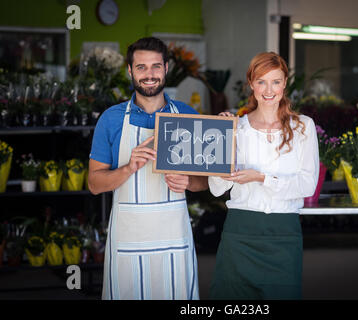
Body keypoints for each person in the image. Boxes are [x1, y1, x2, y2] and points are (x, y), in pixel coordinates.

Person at [88, 37, 208, 300]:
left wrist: (188, 181)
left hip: (174, 239)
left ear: (166, 68)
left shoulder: (187, 115)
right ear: (130, 71)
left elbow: (205, 181)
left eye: (156, 66)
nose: (149, 74)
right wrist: (128, 168)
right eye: (141, 67)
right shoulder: (111, 119)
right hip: (128, 241)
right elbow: (94, 185)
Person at [208, 52, 319, 299]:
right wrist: (225, 139)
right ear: (251, 84)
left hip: (283, 232)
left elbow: (307, 185)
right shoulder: (237, 126)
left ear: (285, 83)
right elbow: (215, 188)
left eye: (276, 81)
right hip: (240, 231)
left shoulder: (303, 127)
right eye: (261, 82)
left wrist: (261, 178)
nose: (269, 90)